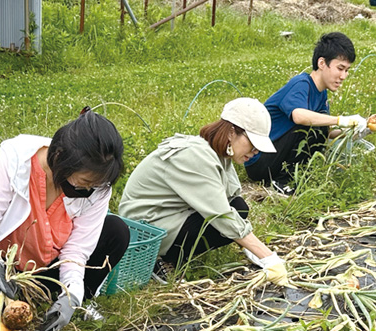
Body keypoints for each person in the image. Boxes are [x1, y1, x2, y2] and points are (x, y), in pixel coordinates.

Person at [0, 108, 130, 331]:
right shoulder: (14, 159)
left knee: (116, 231)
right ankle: (5, 304)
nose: (89, 189)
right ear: (60, 158)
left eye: (95, 185)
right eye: (85, 182)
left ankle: (65, 306)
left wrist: (71, 295)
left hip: (49, 271)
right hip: (6, 273)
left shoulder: (97, 187)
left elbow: (77, 252)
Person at [119, 98, 289, 286]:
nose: (256, 151)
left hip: (169, 213)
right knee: (221, 224)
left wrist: (250, 247)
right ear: (232, 132)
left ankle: (173, 253)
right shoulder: (196, 156)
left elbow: (231, 199)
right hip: (144, 229)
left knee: (239, 207)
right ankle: (158, 259)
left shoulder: (219, 155)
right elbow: (221, 215)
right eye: (252, 142)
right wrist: (268, 258)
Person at [245, 32, 370, 195]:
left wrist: (358, 130)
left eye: (347, 70)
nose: (343, 76)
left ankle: (291, 178)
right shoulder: (301, 84)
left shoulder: (321, 94)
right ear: (322, 63)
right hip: (260, 161)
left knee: (320, 127)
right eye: (340, 68)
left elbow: (326, 133)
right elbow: (299, 117)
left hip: (276, 157)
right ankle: (283, 181)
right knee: (313, 125)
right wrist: (340, 120)